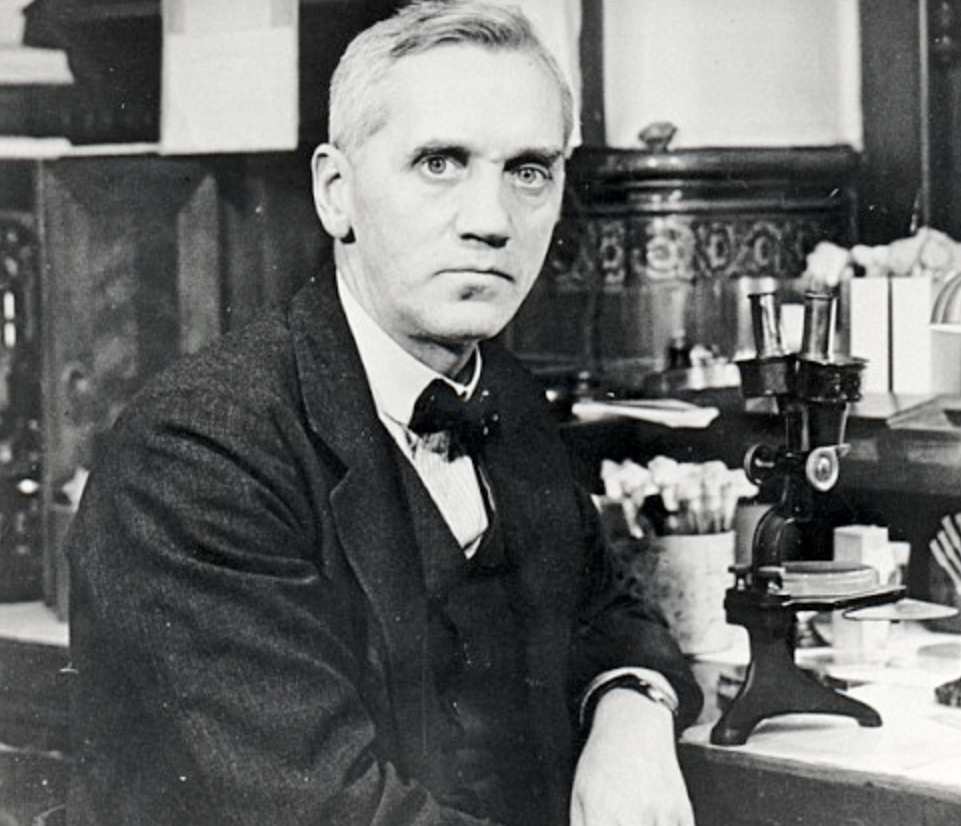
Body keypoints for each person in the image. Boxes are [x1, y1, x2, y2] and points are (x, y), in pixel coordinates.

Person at [64, 3, 703, 825]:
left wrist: (633, 710)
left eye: (529, 171)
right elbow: (332, 813)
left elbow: (606, 605)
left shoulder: (496, 388)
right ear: (337, 193)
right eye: (440, 162)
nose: (491, 220)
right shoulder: (198, 452)